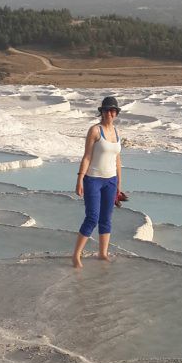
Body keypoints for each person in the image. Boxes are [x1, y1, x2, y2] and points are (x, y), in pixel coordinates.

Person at [72, 95, 123, 268]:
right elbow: (87, 157)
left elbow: (117, 160)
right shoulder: (95, 130)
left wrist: (119, 184)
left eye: (113, 110)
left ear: (116, 113)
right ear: (102, 112)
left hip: (111, 180)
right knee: (92, 217)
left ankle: (102, 253)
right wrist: (79, 179)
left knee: (106, 218)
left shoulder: (116, 132)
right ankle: (76, 255)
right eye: (107, 110)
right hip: (93, 179)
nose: (110, 113)